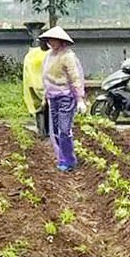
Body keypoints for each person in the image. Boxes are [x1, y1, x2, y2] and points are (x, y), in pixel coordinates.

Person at [39, 26, 84, 171]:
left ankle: (69, 160)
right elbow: (45, 77)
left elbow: (75, 77)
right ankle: (62, 158)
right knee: (56, 130)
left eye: (54, 40)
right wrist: (45, 96)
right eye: (50, 40)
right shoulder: (49, 56)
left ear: (61, 40)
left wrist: (80, 99)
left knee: (64, 130)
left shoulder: (67, 56)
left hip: (65, 96)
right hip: (52, 97)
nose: (52, 42)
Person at [21, 27, 48, 138]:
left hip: (39, 85)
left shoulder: (32, 55)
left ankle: (43, 132)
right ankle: (44, 132)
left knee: (42, 110)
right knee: (42, 109)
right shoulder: (36, 54)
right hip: (39, 85)